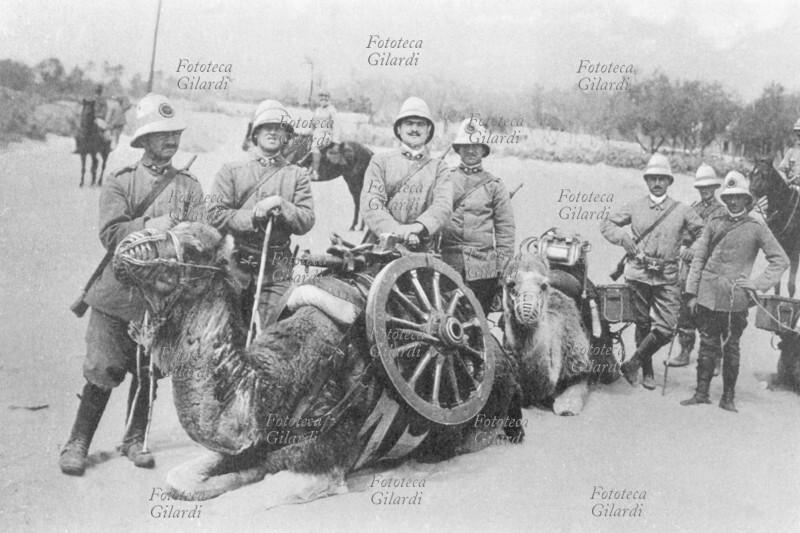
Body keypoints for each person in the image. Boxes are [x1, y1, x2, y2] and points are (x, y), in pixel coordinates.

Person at [60, 93, 204, 476]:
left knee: (149, 371)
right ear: (143, 141)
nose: (170, 140)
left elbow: (203, 237)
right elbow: (111, 234)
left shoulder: (189, 187)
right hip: (116, 293)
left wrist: (189, 235)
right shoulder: (120, 181)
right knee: (102, 367)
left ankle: (133, 438)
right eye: (161, 134)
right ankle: (78, 442)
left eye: (174, 133)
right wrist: (148, 227)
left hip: (161, 298)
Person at [681, 171, 788, 412]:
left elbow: (780, 260)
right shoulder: (714, 223)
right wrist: (691, 293)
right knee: (707, 345)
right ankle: (701, 393)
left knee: (731, 348)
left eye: (738, 197)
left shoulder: (757, 227)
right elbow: (698, 260)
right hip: (707, 295)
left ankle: (728, 397)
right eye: (728, 197)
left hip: (735, 298)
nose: (732, 201)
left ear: (747, 199)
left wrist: (758, 284)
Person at [207, 101, 315, 329]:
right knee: (227, 331)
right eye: (267, 127)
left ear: (287, 136)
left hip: (278, 266)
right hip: (237, 264)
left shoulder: (297, 175)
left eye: (280, 128)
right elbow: (215, 215)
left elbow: (306, 220)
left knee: (277, 334)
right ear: (255, 133)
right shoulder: (232, 170)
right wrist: (253, 218)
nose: (274, 132)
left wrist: (282, 204)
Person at [600, 154, 704, 389]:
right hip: (638, 273)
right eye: (653, 179)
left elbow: (704, 233)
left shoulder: (682, 210)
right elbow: (606, 224)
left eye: (662, 179)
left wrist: (694, 248)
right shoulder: (635, 206)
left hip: (667, 277)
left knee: (667, 328)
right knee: (642, 323)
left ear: (669, 182)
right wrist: (623, 237)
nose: (657, 183)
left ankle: (633, 361)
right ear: (647, 181)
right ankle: (646, 370)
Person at [440, 118, 515, 314]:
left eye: (476, 145)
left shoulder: (494, 186)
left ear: (483, 150)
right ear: (458, 149)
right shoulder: (444, 179)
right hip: (448, 264)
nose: (470, 150)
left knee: (477, 325)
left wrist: (501, 269)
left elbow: (505, 232)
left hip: (483, 269)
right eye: (465, 145)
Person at [360, 96, 452, 249]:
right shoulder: (380, 161)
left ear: (428, 130)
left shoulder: (439, 168)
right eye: (408, 123)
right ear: (399, 129)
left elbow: (443, 206)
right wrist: (396, 230)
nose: (414, 129)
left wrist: (417, 227)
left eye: (421, 124)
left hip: (423, 249)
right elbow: (372, 203)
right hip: (382, 247)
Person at [669, 164, 725, 369]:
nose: (705, 191)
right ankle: (685, 351)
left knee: (710, 315)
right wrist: (684, 247)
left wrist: (695, 249)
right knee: (685, 311)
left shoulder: (722, 212)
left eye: (708, 187)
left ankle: (715, 359)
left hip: (710, 270)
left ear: (715, 187)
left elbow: (719, 242)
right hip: (689, 269)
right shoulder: (694, 208)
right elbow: (684, 234)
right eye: (701, 187)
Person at [310, 91, 340, 180]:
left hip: (326, 135)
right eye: (321, 96)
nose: (323, 99)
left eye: (326, 96)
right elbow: (313, 125)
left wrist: (335, 141)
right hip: (316, 134)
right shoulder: (318, 110)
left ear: (329, 98)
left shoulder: (332, 110)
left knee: (315, 146)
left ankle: (315, 172)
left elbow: (336, 126)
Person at [778, 118, 800, 183]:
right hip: (794, 187)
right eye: (797, 131)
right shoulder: (792, 151)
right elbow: (781, 169)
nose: (798, 134)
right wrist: (786, 180)